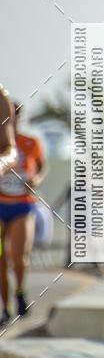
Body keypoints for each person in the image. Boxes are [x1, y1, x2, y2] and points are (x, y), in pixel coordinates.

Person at [0, 101, 47, 323]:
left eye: (15, 115)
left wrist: (36, 178)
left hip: (22, 206)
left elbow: (41, 166)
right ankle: (6, 308)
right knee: (1, 259)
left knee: (19, 257)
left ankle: (19, 291)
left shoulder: (31, 142)